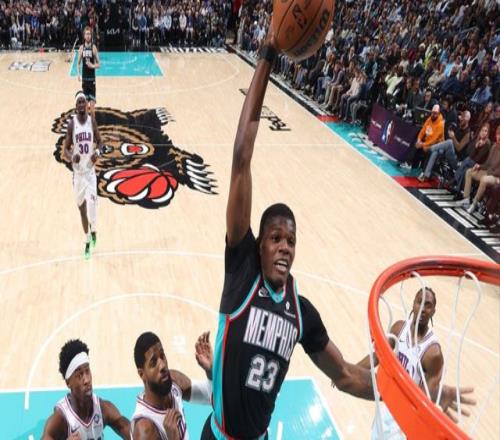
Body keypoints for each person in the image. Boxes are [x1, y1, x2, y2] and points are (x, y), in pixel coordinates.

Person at [200, 28, 440, 440]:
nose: (284, 247)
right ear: (258, 246)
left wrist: (408, 392)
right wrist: (267, 56)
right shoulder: (242, 272)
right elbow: (241, 157)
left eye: (291, 241)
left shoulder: (301, 312)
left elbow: (346, 375)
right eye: (276, 238)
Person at [357, 289, 475, 439]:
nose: (423, 309)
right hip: (388, 405)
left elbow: (424, 398)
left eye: (428, 305)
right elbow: (376, 357)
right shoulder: (399, 328)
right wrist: (351, 370)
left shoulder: (433, 352)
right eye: (420, 302)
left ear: (433, 311)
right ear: (413, 304)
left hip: (406, 417)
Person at [41, 339, 130, 439]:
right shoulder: (61, 419)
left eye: (87, 371)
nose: (87, 380)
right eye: (79, 375)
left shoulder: (103, 409)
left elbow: (129, 430)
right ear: (68, 382)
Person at [131, 331, 213, 439]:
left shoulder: (174, 380)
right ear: (142, 374)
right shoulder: (145, 430)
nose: (162, 365)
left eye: (162, 356)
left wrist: (210, 371)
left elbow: (210, 396)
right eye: (153, 362)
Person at [63, 91, 102, 259]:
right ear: (75, 105)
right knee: (81, 209)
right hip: (78, 174)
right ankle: (87, 239)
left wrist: (97, 153)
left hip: (90, 173)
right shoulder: (72, 124)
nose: (81, 104)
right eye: (78, 102)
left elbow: (100, 142)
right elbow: (65, 150)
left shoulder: (92, 121)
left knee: (92, 209)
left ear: (87, 105)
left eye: (83, 101)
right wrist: (72, 157)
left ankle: (94, 230)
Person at [458, 125, 500, 213]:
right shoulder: (494, 146)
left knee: (484, 179)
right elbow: (487, 164)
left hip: (496, 177)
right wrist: (479, 166)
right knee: (469, 172)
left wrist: (489, 172)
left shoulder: (490, 144)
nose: (499, 137)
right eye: (498, 134)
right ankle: (466, 200)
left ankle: (474, 203)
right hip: (488, 172)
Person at [400, 104, 445, 170]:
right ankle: (409, 163)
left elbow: (434, 139)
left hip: (436, 144)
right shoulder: (429, 119)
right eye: (432, 113)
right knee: (416, 142)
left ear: (438, 113)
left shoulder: (440, 124)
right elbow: (422, 131)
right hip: (428, 140)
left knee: (425, 147)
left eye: (435, 113)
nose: (433, 114)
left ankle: (424, 169)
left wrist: (423, 144)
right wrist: (419, 140)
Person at [77, 26, 100, 117]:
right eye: (86, 34)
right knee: (86, 109)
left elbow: (99, 64)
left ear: (91, 35)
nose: (88, 36)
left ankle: (93, 124)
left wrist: (92, 65)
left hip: (92, 80)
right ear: (84, 36)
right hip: (85, 80)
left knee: (92, 110)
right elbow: (78, 63)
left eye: (89, 34)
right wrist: (78, 74)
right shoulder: (81, 48)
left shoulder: (93, 47)